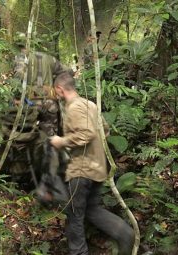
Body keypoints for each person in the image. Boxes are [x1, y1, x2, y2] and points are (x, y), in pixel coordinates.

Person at [49, 72, 134, 255]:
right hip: (97, 169)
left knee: (75, 217)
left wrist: (60, 141)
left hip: (82, 170)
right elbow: (105, 130)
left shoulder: (74, 108)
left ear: (60, 89)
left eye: (56, 92)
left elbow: (86, 134)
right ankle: (127, 235)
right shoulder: (91, 105)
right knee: (91, 211)